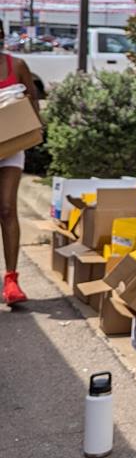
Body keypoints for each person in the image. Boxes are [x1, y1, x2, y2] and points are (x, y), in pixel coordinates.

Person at [1, 50, 42, 306]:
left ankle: (11, 280)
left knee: (6, 208)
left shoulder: (16, 65)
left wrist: (33, 123)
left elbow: (32, 99)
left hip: (11, 146)